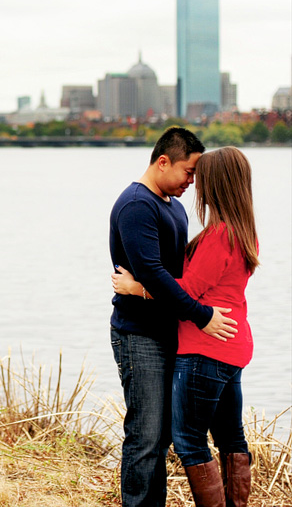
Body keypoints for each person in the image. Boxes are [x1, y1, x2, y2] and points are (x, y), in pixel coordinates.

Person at [113, 146, 256, 507]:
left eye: (200, 177)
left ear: (216, 183)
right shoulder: (243, 232)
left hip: (205, 348)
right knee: (230, 437)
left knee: (189, 439)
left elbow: (186, 292)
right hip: (233, 345)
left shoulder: (219, 235)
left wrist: (137, 288)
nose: (194, 184)